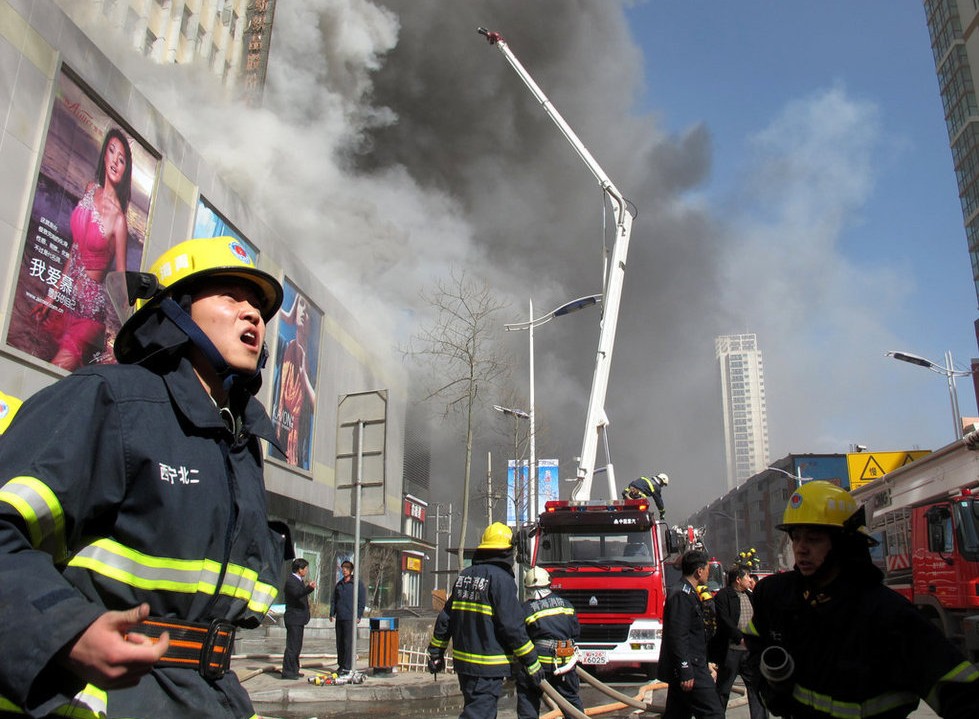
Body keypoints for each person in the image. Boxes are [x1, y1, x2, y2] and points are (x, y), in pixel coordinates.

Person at [0, 236, 289, 717]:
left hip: (210, 695)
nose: (253, 315)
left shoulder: (241, 444)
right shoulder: (110, 400)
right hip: (102, 699)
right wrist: (66, 631)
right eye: (231, 296)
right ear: (175, 310)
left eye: (258, 306)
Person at [745, 481, 979, 718]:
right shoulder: (776, 595)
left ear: (843, 544)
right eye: (796, 538)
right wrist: (768, 687)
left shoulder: (887, 615)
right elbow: (755, 642)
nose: (800, 549)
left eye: (813, 539)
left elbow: (962, 694)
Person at [37, 127, 133, 369]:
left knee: (55, 369)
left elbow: (121, 285)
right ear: (104, 156)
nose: (115, 161)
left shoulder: (119, 220)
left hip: (90, 314)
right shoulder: (90, 189)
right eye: (111, 151)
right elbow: (74, 250)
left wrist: (119, 342)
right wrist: (52, 295)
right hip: (68, 299)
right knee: (35, 351)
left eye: (122, 159)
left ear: (125, 169)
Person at [428, 522, 544, 719]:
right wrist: (531, 660)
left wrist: (435, 653)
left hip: (464, 666)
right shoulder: (502, 580)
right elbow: (512, 627)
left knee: (480, 710)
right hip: (488, 667)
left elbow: (445, 619)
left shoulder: (464, 577)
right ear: (507, 551)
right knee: (479, 714)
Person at [658, 549, 725, 719]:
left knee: (678, 714)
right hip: (691, 668)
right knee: (714, 713)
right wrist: (685, 669)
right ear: (699, 571)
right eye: (707, 569)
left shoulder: (688, 592)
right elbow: (678, 635)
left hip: (693, 664)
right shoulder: (681, 594)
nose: (709, 573)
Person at [516, 566, 584, 719]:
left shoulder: (526, 609)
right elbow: (575, 633)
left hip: (539, 665)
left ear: (527, 587)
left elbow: (520, 638)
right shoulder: (566, 605)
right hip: (566, 661)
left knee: (528, 697)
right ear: (549, 584)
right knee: (571, 702)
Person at [709, 566, 767, 718]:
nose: (750, 579)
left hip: (750, 652)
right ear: (738, 579)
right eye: (747, 576)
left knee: (756, 689)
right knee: (723, 689)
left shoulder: (750, 595)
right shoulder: (723, 596)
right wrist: (739, 637)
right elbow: (724, 620)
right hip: (731, 651)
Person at [271, 291, 316, 466]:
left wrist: (304, 376)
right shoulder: (283, 348)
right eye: (301, 305)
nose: (303, 312)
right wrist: (287, 316)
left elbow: (317, 407)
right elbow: (263, 310)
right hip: (276, 445)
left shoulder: (311, 373)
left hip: (297, 457)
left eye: (308, 311)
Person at [282, 557, 317, 680]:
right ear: (299, 569)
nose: (306, 571)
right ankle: (287, 671)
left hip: (299, 619)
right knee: (292, 646)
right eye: (305, 568)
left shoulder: (299, 581)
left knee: (297, 646)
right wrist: (309, 588)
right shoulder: (291, 581)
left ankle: (295, 669)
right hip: (293, 618)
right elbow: (297, 594)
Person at [330, 560, 366, 675]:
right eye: (343, 568)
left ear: (351, 570)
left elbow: (361, 601)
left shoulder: (357, 584)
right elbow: (334, 600)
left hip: (350, 618)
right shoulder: (339, 584)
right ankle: (341, 665)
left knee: (348, 643)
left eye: (347, 568)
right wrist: (332, 613)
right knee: (340, 643)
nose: (344, 570)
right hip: (340, 617)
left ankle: (347, 666)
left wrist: (359, 615)